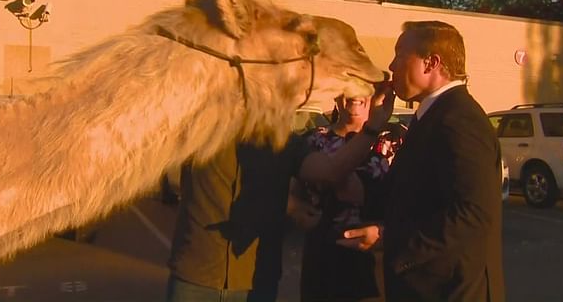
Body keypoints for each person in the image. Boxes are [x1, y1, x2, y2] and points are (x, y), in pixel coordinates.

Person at [165, 86, 395, 302]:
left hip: (255, 279)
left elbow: (330, 171)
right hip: (196, 274)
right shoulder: (198, 130)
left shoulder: (286, 143)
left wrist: (371, 128)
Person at [340, 21, 505, 302]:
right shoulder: (432, 116)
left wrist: (388, 238)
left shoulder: (459, 120)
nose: (391, 66)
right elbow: (412, 194)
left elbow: (473, 215)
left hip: (452, 291)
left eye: (400, 55)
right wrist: (353, 186)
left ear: (431, 63)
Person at [299, 94, 403, 302]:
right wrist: (294, 207)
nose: (355, 93)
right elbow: (291, 191)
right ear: (337, 94)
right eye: (348, 85)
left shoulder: (395, 141)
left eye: (362, 85)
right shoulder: (312, 140)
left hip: (378, 260)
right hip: (323, 259)